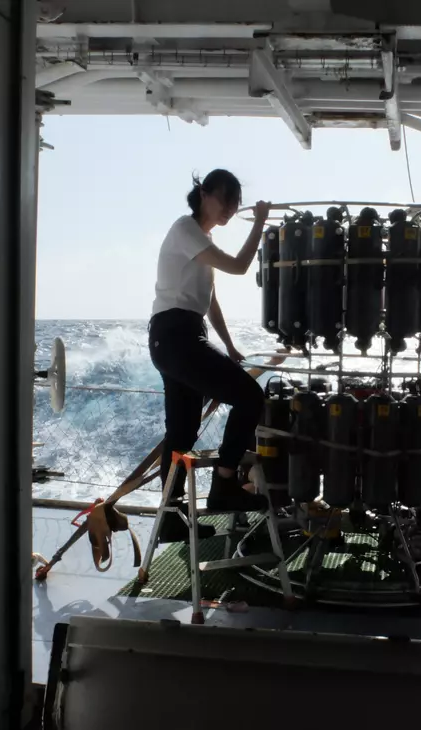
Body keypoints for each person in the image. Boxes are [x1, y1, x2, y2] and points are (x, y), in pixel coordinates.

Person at [148, 169, 271, 543]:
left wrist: (230, 346)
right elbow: (238, 266)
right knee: (251, 397)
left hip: (180, 336)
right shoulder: (185, 230)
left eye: (235, 204)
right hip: (176, 335)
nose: (231, 209)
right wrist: (260, 224)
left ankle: (171, 518)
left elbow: (210, 303)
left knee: (182, 433)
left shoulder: (201, 241)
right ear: (204, 193)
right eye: (225, 200)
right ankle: (225, 484)